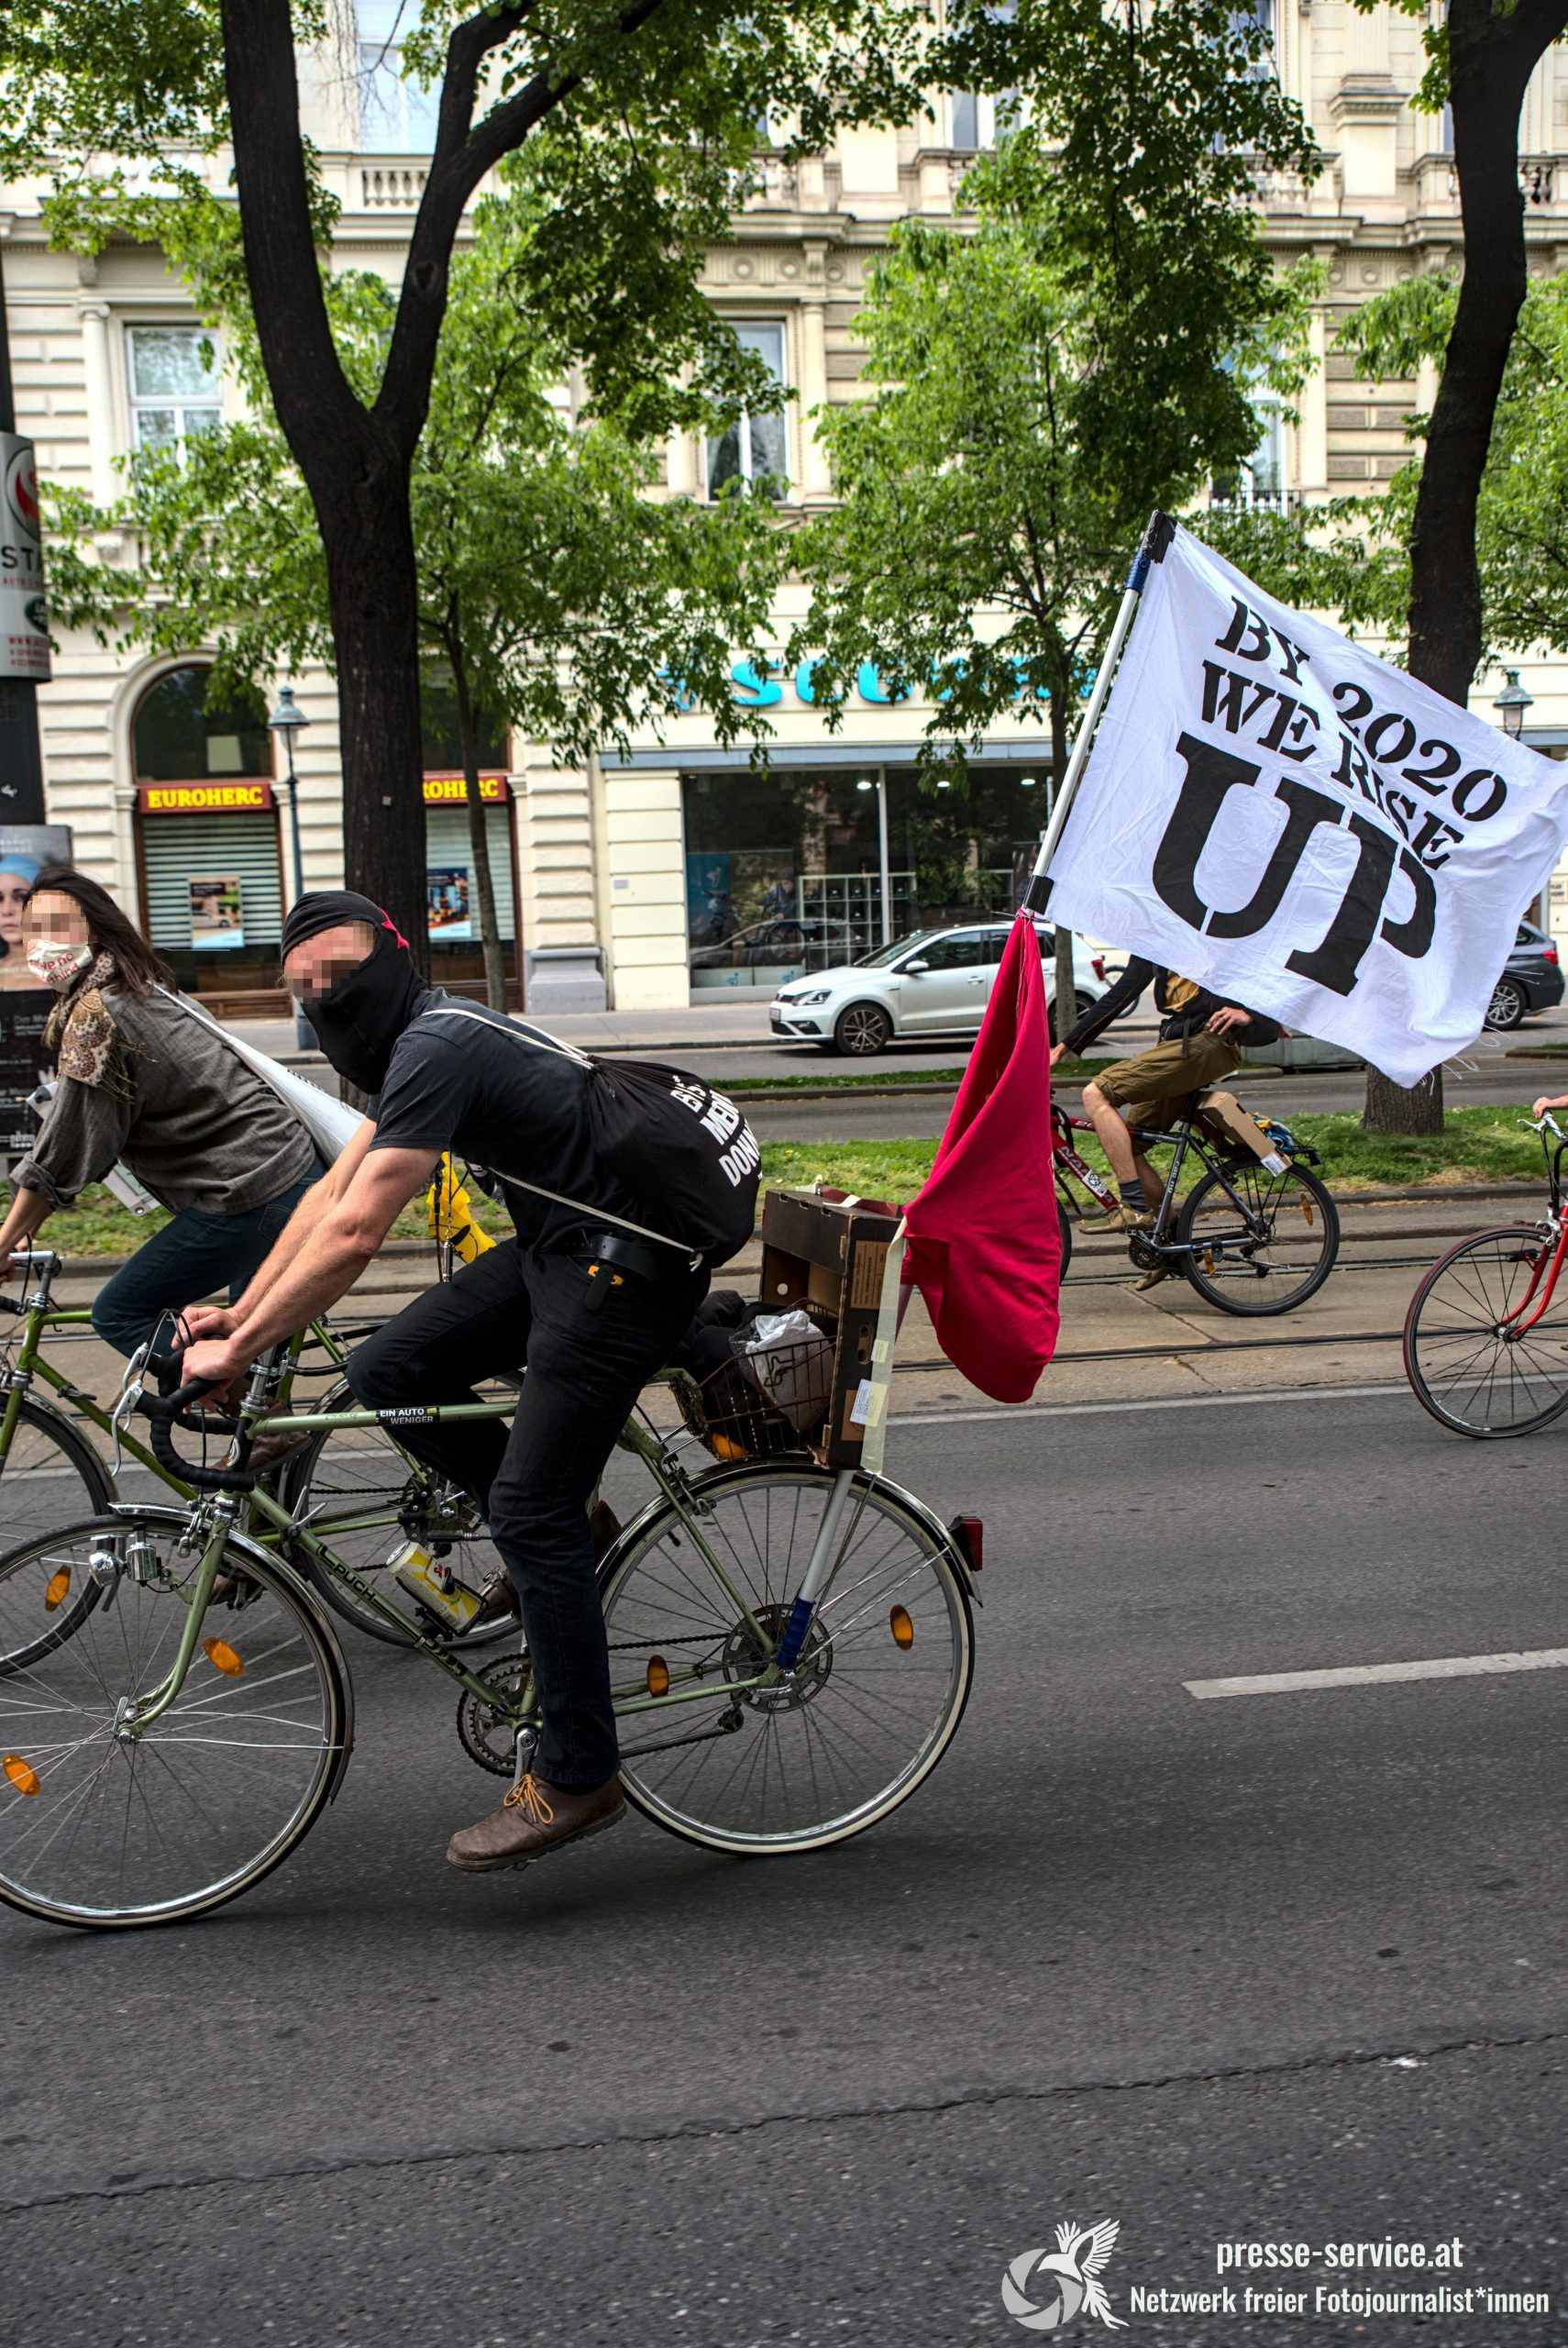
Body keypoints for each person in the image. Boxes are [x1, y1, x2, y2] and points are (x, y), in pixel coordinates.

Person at [180, 890, 717, 1877]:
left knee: (529, 1509)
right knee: (387, 1368)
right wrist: (240, 1314)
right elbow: (333, 1191)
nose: (326, 997)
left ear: (393, 954)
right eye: (304, 988)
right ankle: (574, 1529)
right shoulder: (420, 1042)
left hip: (628, 1263)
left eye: (340, 974)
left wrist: (244, 1346)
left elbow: (356, 1231)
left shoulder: (435, 1045)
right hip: (569, 1243)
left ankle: (579, 1773)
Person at [0, 867, 324, 1355]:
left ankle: (211, 1388)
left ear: (97, 929)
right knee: (248, 1351)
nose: (41, 945)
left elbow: (63, 1148)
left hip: (250, 1191)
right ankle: (264, 1429)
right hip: (284, 1173)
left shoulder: (98, 1014)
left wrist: (6, 1239)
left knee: (121, 1313)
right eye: (33, 931)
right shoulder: (145, 986)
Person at [1051, 957, 1282, 1269]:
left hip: (1205, 1041)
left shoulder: (1210, 923)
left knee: (1096, 1093)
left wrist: (1255, 1017)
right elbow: (1121, 993)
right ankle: (1171, 1246)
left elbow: (1268, 960)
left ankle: (1134, 1206)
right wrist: (1063, 1047)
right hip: (1178, 1041)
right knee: (1126, 1145)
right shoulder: (1155, 932)